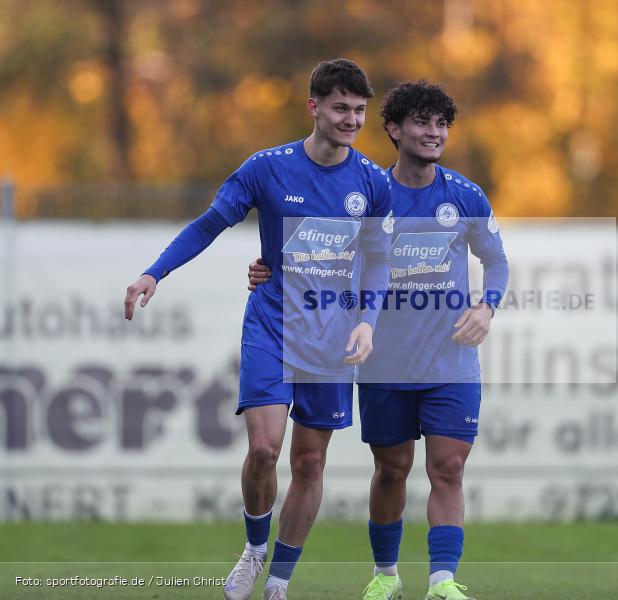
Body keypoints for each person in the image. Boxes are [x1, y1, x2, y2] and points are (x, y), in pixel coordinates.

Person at [124, 58, 392, 600]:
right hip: (273, 326)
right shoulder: (267, 168)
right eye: (340, 108)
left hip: (333, 339)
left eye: (360, 110)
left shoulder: (372, 181)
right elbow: (210, 223)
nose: (351, 120)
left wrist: (367, 321)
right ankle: (253, 548)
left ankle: (278, 581)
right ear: (313, 106)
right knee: (266, 450)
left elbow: (380, 258)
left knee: (310, 461)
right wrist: (155, 272)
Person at [249, 80, 509, 600]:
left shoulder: (465, 195)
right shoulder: (370, 193)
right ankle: (386, 575)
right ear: (393, 129)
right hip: (383, 362)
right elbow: (322, 255)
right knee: (392, 469)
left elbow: (496, 260)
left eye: (442, 124)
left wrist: (487, 305)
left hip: (451, 362)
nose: (434, 133)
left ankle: (442, 582)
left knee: (449, 467)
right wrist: (270, 269)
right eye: (422, 122)